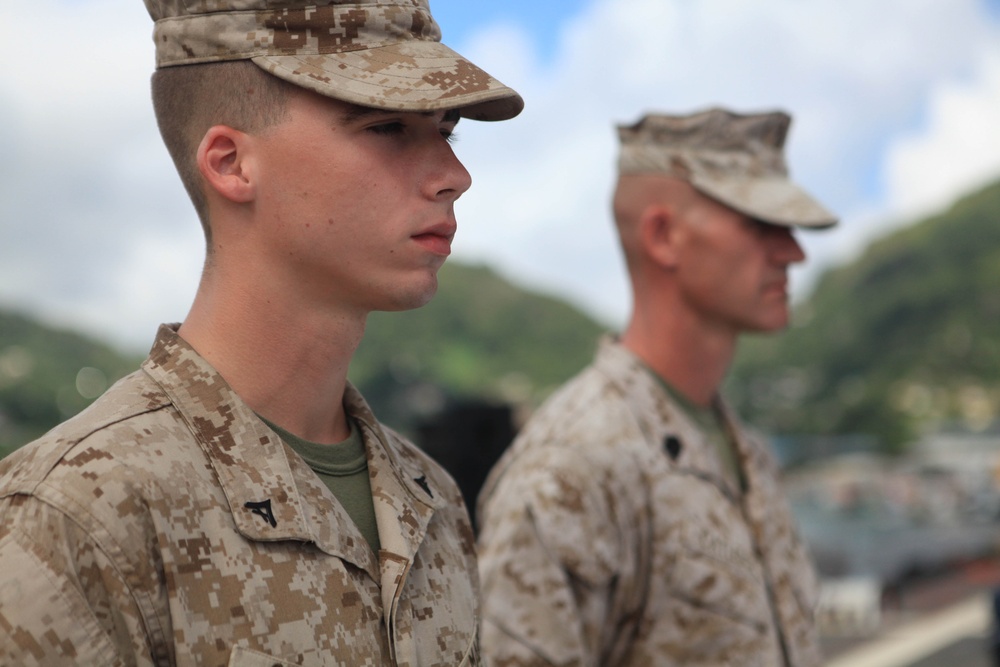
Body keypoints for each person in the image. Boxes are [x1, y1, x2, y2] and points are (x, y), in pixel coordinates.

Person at [0, 0, 522, 664]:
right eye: (388, 126)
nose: (455, 177)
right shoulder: (74, 517)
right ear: (231, 163)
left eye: (447, 131)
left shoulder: (432, 501)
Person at [477, 108, 837, 667]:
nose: (793, 253)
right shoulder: (571, 469)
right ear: (664, 236)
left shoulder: (747, 454)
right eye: (760, 225)